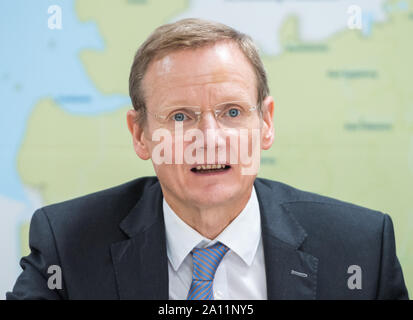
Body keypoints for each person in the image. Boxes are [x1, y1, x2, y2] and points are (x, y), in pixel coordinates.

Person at [7, 18, 408, 300]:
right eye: (181, 117)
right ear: (140, 134)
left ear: (266, 123)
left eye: (232, 112)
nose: (210, 139)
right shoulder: (67, 245)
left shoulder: (361, 247)